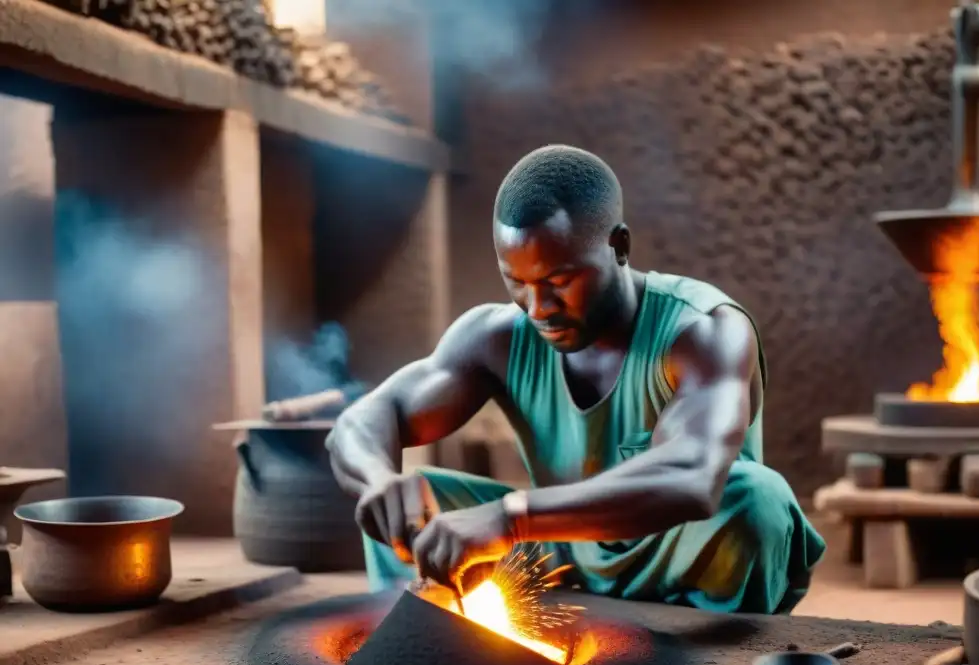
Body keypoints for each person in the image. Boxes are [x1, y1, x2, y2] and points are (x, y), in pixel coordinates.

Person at [327, 144, 826, 614]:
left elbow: (692, 478)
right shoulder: (496, 335)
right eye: (517, 282)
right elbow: (367, 418)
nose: (539, 307)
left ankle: (714, 660)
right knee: (416, 507)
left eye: (560, 282)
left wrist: (511, 518)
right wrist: (380, 485)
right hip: (559, 556)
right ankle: (418, 646)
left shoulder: (702, 329)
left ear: (619, 246)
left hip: (681, 554)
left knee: (755, 498)